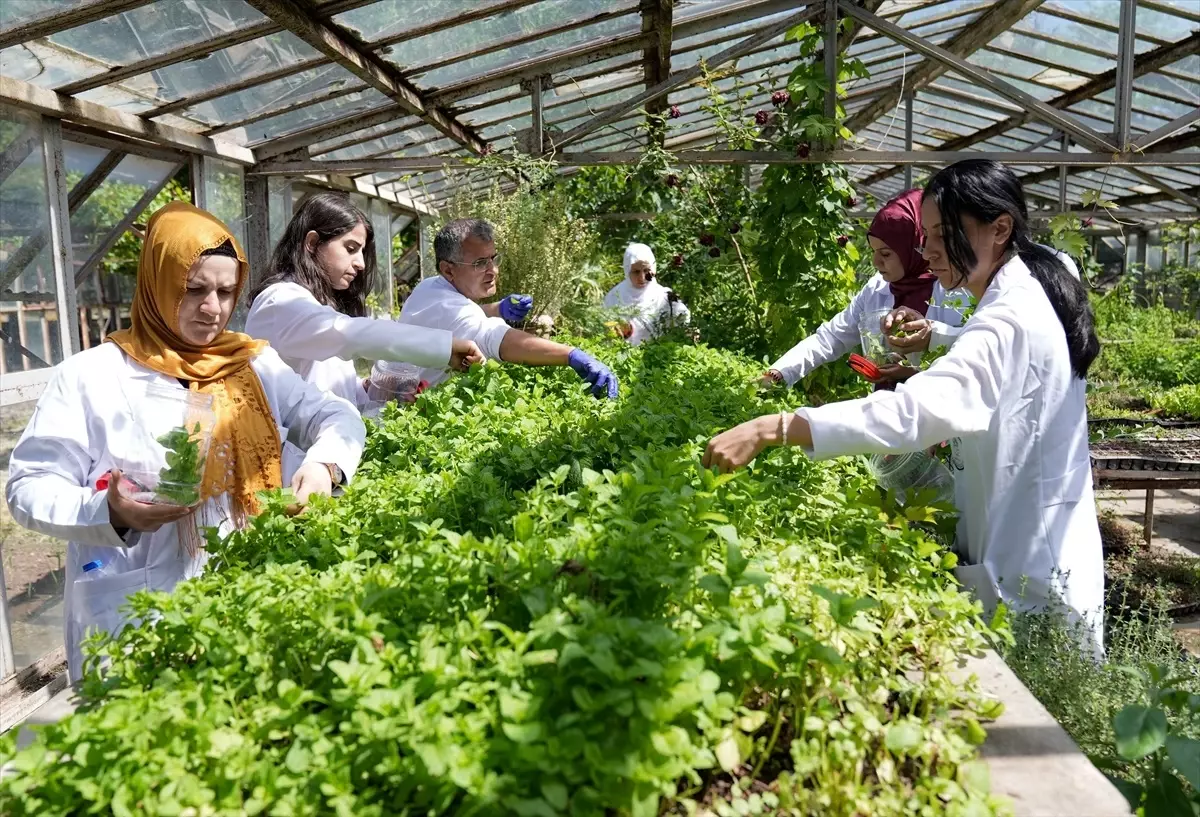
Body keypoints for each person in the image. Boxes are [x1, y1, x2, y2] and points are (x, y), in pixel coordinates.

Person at [703, 160, 1104, 653]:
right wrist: (936, 335)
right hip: (1015, 521)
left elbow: (916, 410)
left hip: (1033, 557)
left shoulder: (1010, 313)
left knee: (1043, 707)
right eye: (926, 234)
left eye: (941, 234)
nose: (927, 249)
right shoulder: (1018, 289)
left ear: (1000, 228)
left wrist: (778, 427)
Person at [6, 202, 366, 682]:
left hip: (243, 597)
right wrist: (110, 512)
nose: (212, 308)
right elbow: (29, 486)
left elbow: (334, 414)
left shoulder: (252, 366)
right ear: (158, 283)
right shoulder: (93, 375)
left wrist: (326, 465)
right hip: (136, 610)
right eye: (193, 289)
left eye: (224, 290)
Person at [245, 192, 486, 412]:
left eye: (361, 252)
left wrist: (372, 389)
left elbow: (333, 389)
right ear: (312, 243)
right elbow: (349, 333)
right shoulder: (280, 303)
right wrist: (443, 347)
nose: (360, 263)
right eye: (350, 249)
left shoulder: (315, 305)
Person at [762, 189, 968, 388]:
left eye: (886, 254)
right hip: (885, 407)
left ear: (913, 247)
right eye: (874, 251)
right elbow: (832, 337)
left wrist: (913, 371)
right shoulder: (877, 287)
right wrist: (780, 372)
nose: (876, 261)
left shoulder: (954, 289)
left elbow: (971, 352)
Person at [398, 218, 619, 398]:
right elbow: (496, 339)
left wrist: (498, 309)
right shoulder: (450, 309)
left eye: (494, 259)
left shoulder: (429, 288)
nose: (492, 270)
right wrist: (571, 354)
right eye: (480, 263)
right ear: (448, 270)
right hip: (413, 412)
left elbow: (460, 319)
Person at [603, 243, 691, 346]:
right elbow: (602, 326)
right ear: (627, 271)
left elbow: (683, 319)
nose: (642, 277)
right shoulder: (615, 296)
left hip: (658, 354)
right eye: (636, 272)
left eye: (646, 270)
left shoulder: (664, 297)